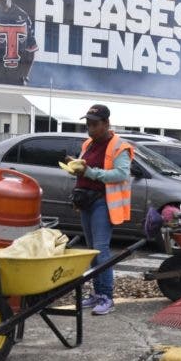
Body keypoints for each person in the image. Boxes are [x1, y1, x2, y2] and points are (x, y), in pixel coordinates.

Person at [68, 105, 134, 316]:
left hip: (102, 203)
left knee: (101, 250)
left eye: (94, 124)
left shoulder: (118, 146)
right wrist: (76, 168)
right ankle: (97, 294)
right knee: (92, 250)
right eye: (88, 124)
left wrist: (90, 172)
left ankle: (106, 296)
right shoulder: (88, 143)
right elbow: (85, 170)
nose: (90, 128)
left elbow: (121, 174)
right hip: (86, 201)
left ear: (106, 124)